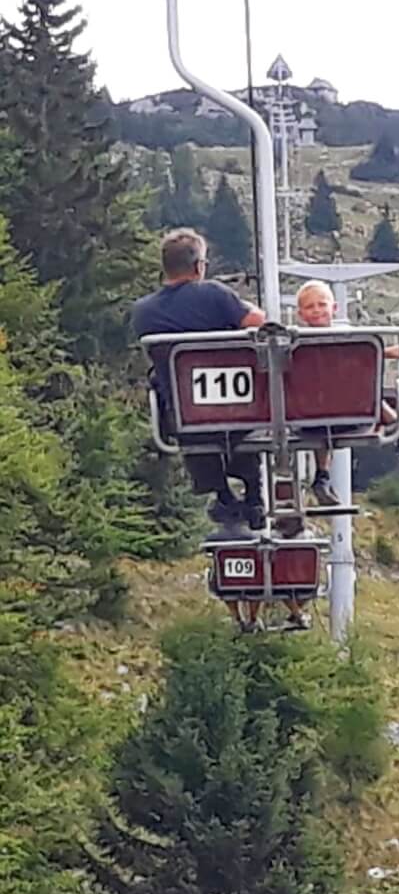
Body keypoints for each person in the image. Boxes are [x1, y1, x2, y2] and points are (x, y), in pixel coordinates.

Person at [132, 228, 269, 631]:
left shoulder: (144, 311)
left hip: (184, 414)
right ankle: (254, 494)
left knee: (198, 437)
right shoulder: (214, 295)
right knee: (247, 427)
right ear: (199, 265)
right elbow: (258, 322)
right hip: (238, 407)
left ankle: (224, 495)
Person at [294, 279, 399, 506]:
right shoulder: (347, 338)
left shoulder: (296, 341)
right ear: (301, 314)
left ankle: (322, 475)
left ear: (333, 308)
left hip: (313, 416)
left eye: (321, 305)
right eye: (310, 307)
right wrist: (391, 352)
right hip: (346, 413)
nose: (316, 311)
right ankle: (397, 424)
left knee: (326, 417)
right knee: (357, 385)